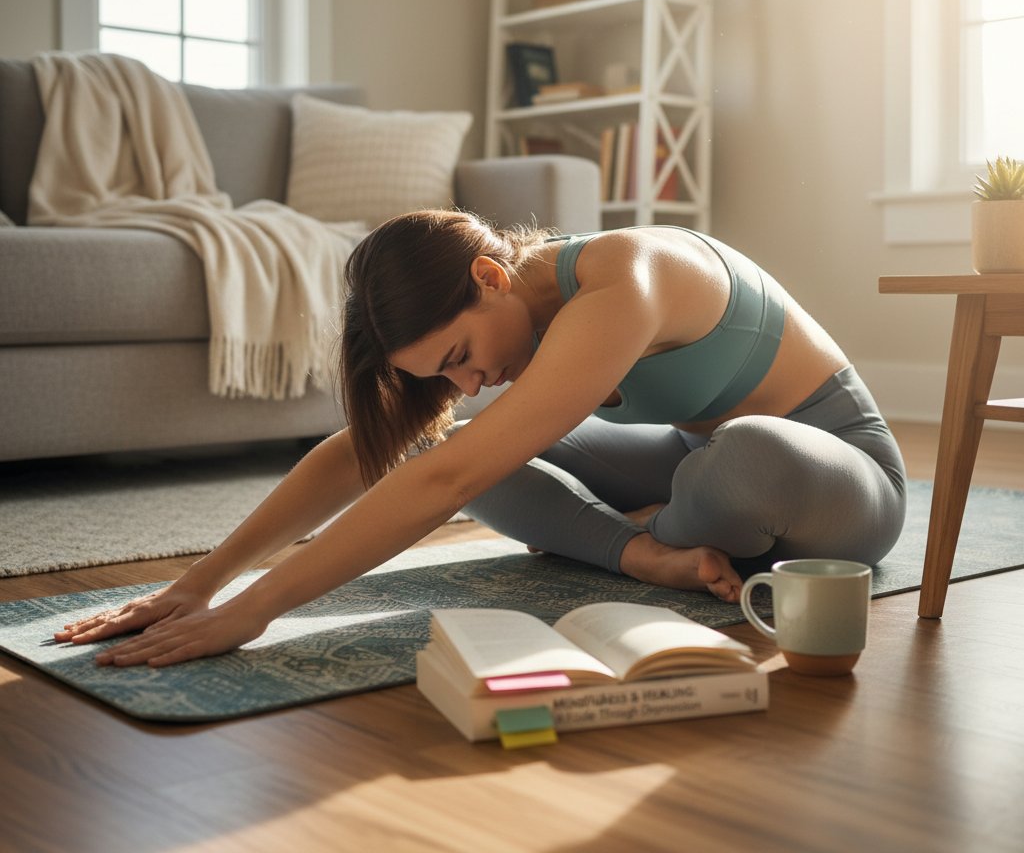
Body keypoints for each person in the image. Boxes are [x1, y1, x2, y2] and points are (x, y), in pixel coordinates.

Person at [55, 210, 906, 668]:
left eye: (460, 357)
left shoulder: (622, 279)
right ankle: (650, 550)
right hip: (694, 462)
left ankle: (666, 525)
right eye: (446, 375)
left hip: (835, 476)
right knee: (447, 450)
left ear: (491, 278)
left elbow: (447, 487)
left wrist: (256, 613)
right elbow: (374, 454)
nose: (465, 385)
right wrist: (202, 586)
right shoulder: (515, 320)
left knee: (746, 456)